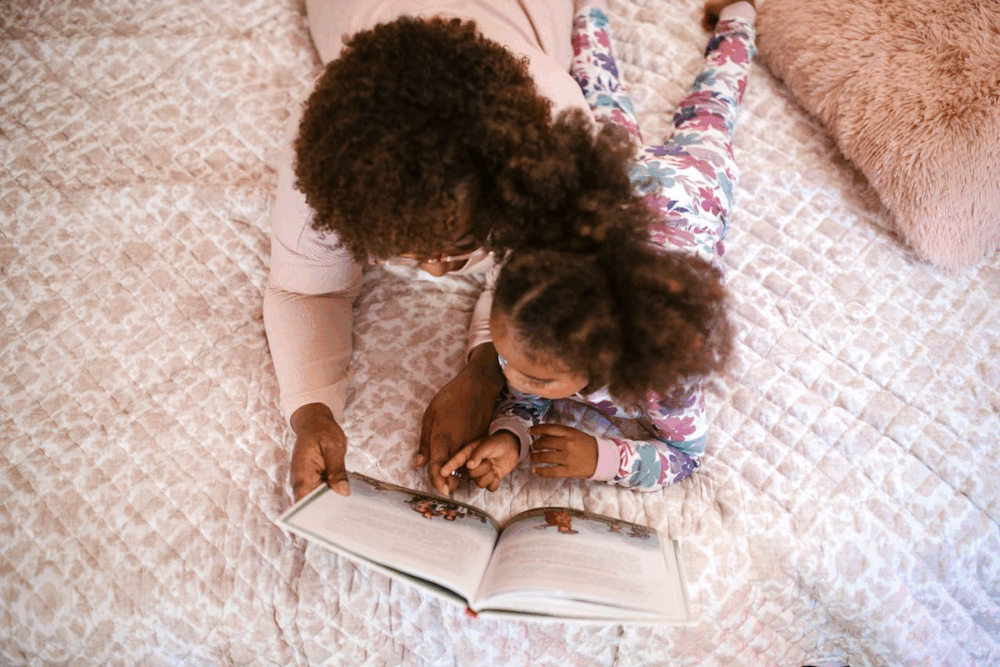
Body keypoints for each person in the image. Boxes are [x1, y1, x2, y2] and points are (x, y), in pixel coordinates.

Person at [265, 0, 635, 501]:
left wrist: (485, 368)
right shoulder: (322, 163)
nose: (437, 271)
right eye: (404, 254)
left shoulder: (553, 142)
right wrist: (312, 415)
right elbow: (302, 289)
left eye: (458, 247)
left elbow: (537, 278)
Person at [441, 0, 757, 491]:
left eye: (537, 380)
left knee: (714, 104)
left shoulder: (664, 382)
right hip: (614, 183)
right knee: (592, 84)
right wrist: (509, 434)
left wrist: (605, 457)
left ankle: (739, 15)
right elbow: (523, 386)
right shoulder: (528, 310)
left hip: (695, 180)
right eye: (506, 359)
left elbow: (687, 454)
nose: (513, 380)